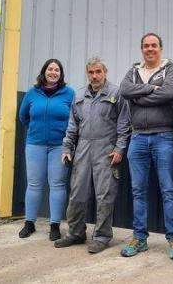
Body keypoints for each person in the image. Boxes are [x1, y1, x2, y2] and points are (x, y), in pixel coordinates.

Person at [54, 57, 130, 253]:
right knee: (77, 192)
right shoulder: (79, 95)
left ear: (105, 72)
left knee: (104, 195)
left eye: (98, 72)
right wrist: (66, 148)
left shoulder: (116, 93)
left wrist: (119, 148)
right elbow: (72, 126)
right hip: (82, 149)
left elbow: (124, 125)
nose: (94, 76)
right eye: (91, 72)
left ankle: (102, 236)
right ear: (87, 73)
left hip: (107, 150)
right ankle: (76, 233)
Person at [119, 32, 173, 259]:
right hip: (137, 138)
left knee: (168, 189)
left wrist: (139, 96)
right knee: (138, 190)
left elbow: (168, 93)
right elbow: (124, 90)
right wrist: (149, 89)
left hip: (164, 136)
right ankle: (139, 238)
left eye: (154, 45)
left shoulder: (171, 69)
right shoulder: (134, 70)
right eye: (146, 46)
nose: (150, 49)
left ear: (161, 48)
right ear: (142, 49)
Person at [17, 59, 75, 241]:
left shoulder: (69, 93)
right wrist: (37, 131)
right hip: (35, 145)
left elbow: (74, 119)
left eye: (57, 70)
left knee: (57, 184)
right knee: (34, 184)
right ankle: (29, 223)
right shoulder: (32, 94)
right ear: (44, 72)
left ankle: (55, 225)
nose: (53, 72)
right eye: (50, 69)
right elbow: (23, 117)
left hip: (60, 146)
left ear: (61, 74)